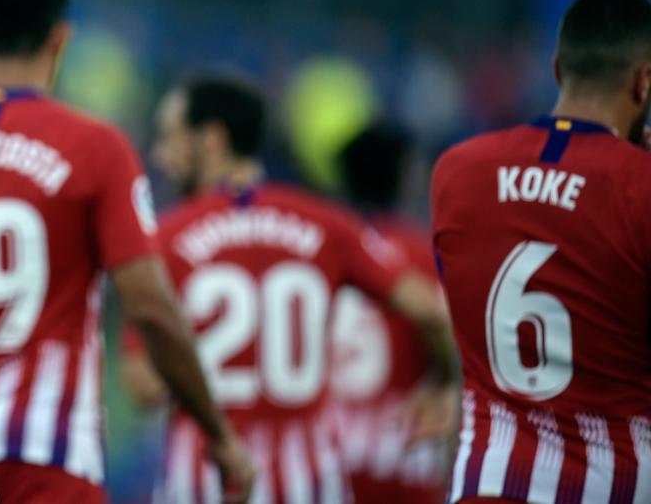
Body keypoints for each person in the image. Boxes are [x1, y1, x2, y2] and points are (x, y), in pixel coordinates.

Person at [0, 0, 253, 504]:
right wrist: (219, 434)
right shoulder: (95, 148)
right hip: (49, 455)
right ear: (60, 39)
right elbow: (151, 309)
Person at [123, 76, 458, 504]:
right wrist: (444, 383)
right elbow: (431, 312)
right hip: (309, 483)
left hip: (203, 482)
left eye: (169, 138)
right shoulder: (326, 224)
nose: (159, 155)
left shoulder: (168, 238)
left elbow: (144, 387)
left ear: (211, 140)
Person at [432, 0, 651, 504]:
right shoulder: (639, 188)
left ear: (557, 68)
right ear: (645, 81)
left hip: (485, 482)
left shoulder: (456, 171)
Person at [330, 123, 451, 503]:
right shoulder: (425, 256)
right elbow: (445, 329)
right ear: (404, 177)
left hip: (331, 461)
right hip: (404, 456)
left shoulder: (322, 248)